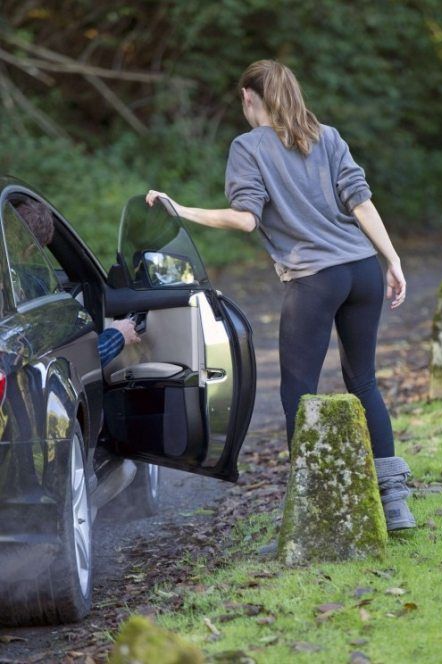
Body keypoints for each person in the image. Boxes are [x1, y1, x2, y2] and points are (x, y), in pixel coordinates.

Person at [145, 60, 415, 531]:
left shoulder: (247, 147)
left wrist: (181, 209)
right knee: (364, 382)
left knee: (299, 392)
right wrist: (391, 259)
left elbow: (246, 218)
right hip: (361, 270)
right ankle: (395, 505)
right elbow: (361, 201)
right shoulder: (326, 136)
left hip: (314, 278)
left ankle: (311, 514)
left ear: (250, 98)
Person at [15, 199, 139, 367]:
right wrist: (116, 336)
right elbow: (67, 366)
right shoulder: (25, 287)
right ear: (31, 249)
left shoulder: (17, 282)